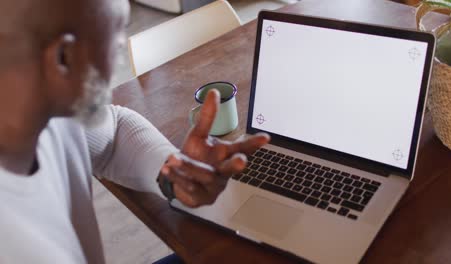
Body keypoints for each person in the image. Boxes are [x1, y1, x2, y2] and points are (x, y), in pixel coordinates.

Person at [0, 0, 270, 263]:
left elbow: (114, 132)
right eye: (117, 33)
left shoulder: (51, 112)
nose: (120, 47)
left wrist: (172, 173)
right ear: (63, 58)